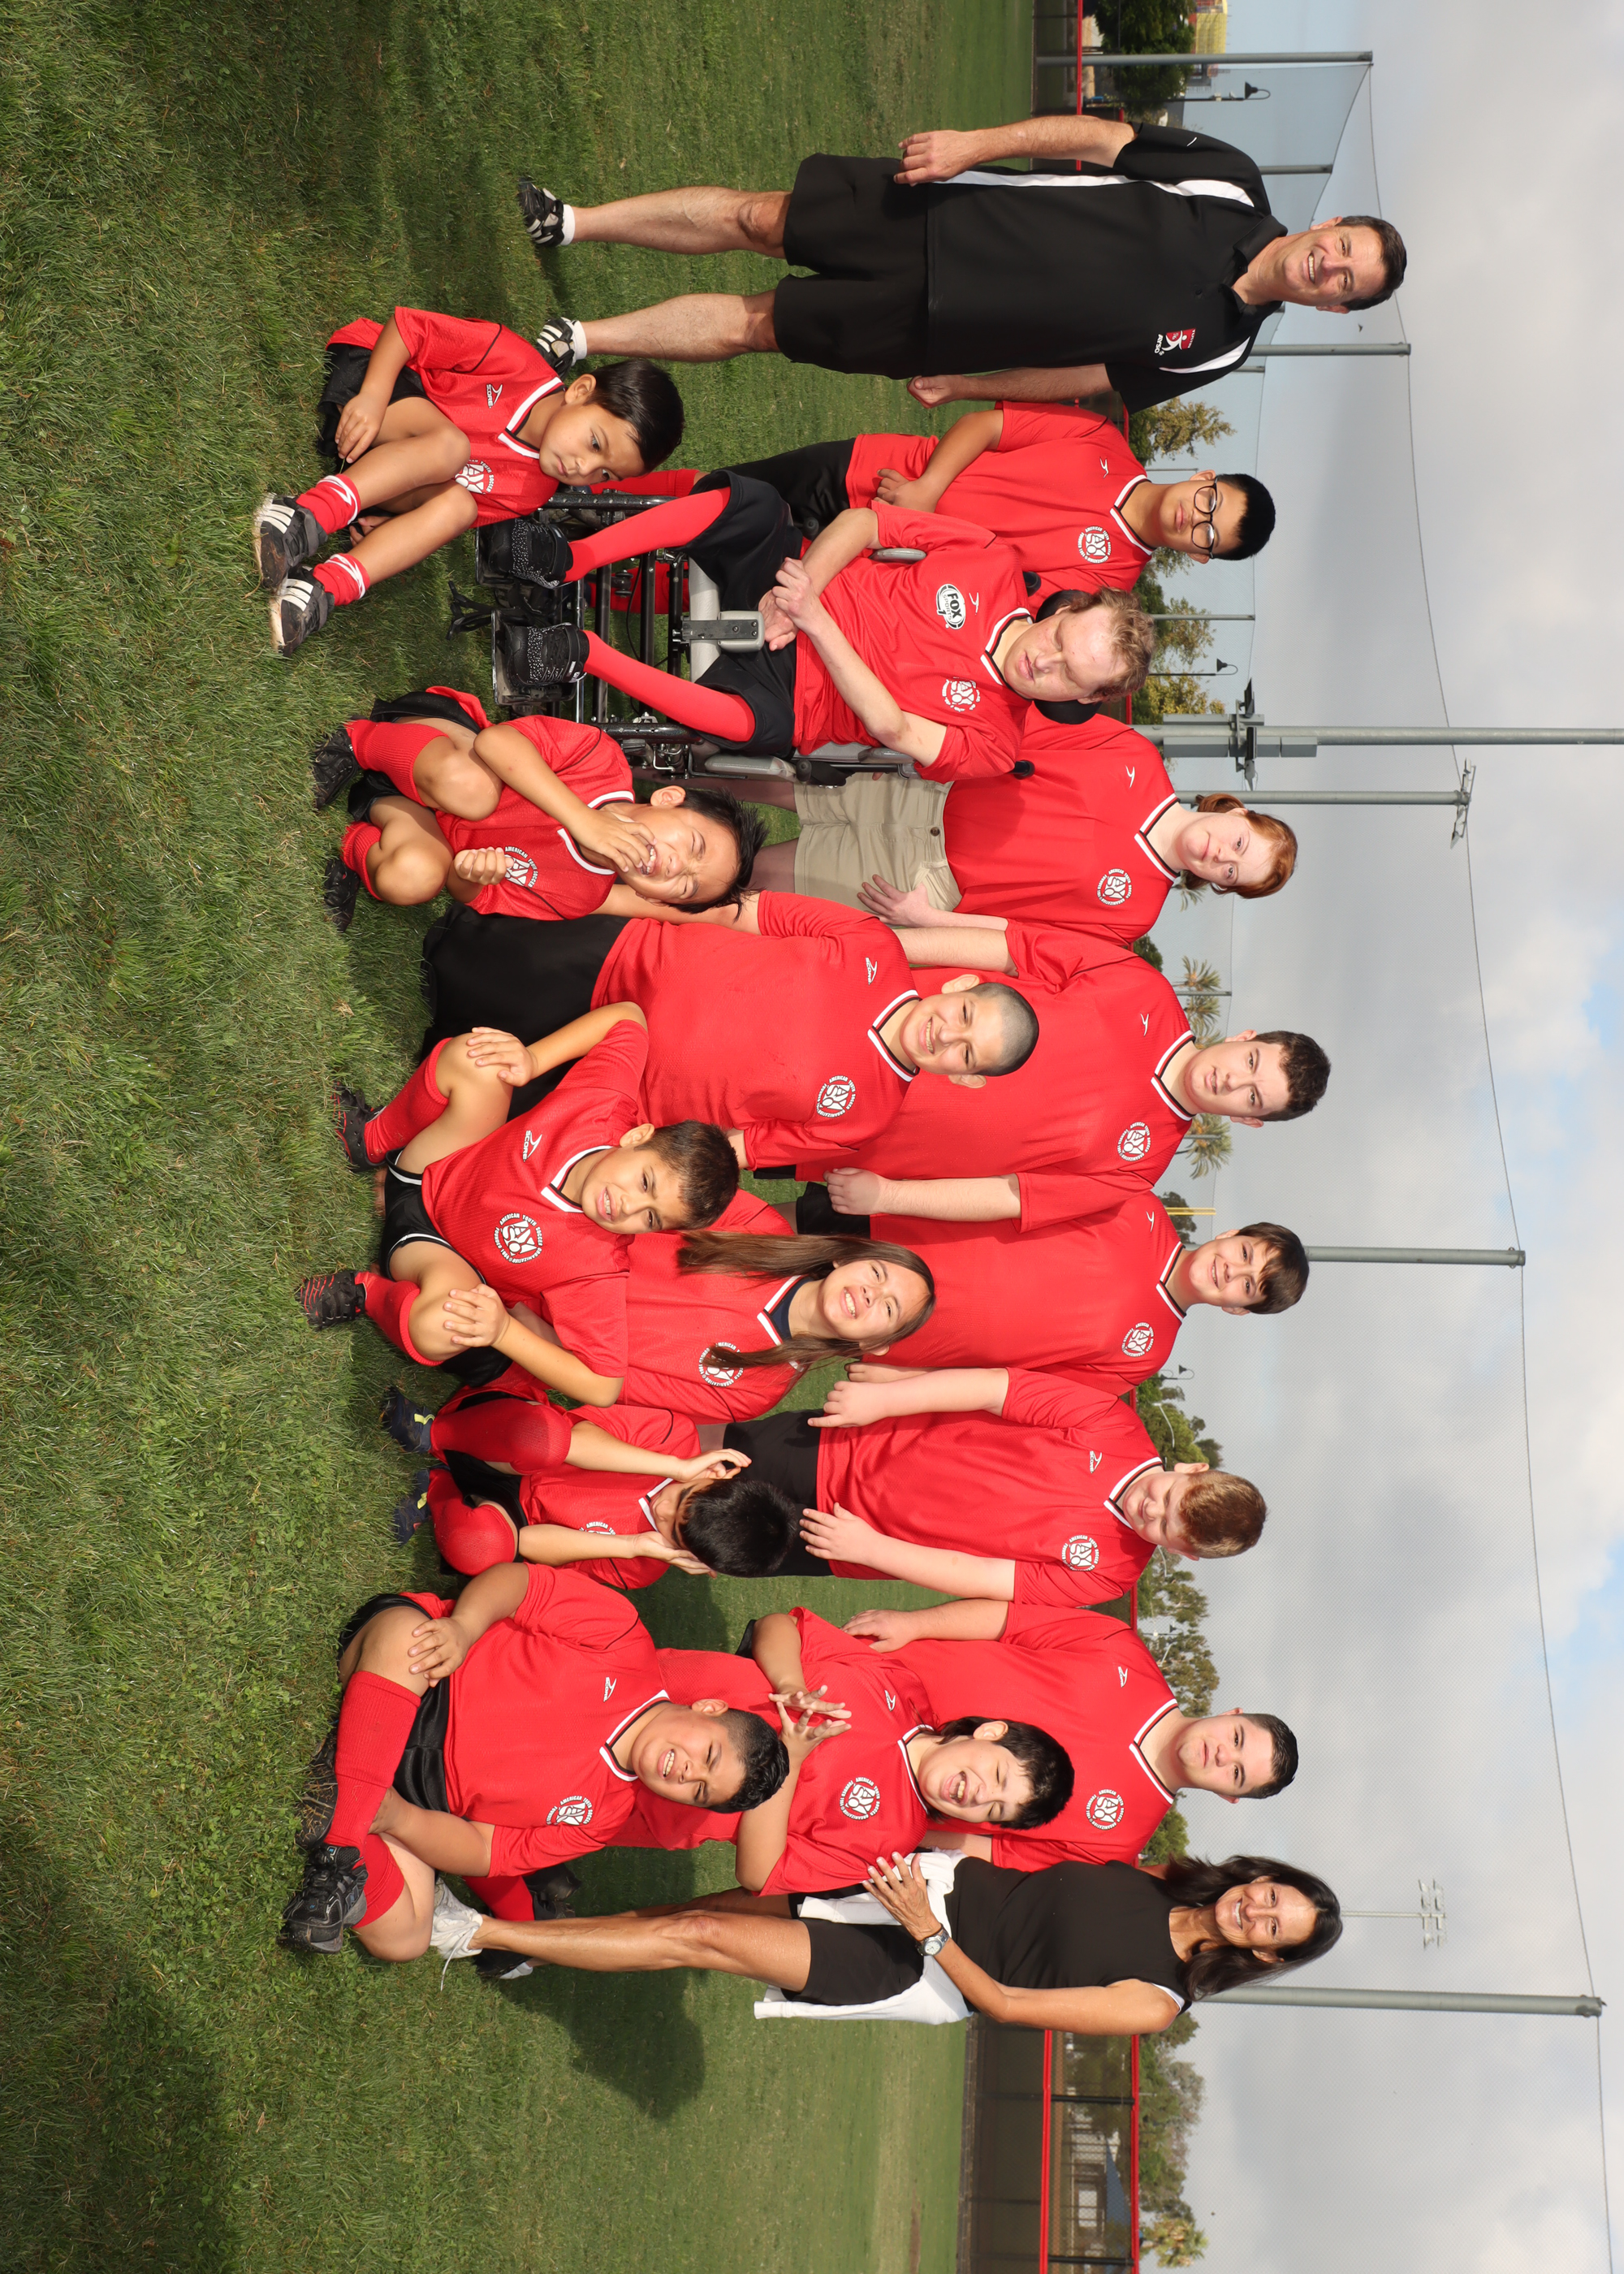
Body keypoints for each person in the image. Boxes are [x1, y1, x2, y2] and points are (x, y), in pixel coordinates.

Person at [508, 120, 1404, 398]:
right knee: (759, 218)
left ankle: (578, 339)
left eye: (1345, 282)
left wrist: (969, 386)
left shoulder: (1220, 351)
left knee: (762, 326)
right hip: (945, 214)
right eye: (1343, 248)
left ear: (1333, 307)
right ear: (1330, 226)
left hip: (940, 330)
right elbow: (1098, 141)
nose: (1329, 266)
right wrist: (978, 145)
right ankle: (571, 221)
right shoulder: (1230, 182)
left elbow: (1087, 378)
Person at [279, 1560, 788, 1958]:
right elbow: (520, 1585)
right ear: (708, 1707)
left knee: (406, 1939)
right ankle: (341, 1844)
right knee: (403, 1637)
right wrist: (464, 1627)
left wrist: (399, 1817)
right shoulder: (624, 1639)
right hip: (427, 1675)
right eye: (709, 1754)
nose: (689, 1772)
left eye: (699, 1791)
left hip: (413, 1790)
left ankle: (353, 1794)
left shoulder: (602, 1819)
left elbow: (484, 1851)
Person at [488, 479, 1154, 768]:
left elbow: (892, 728)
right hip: (799, 582)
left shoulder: (997, 743)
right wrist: (802, 590)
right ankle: (570, 559)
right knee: (753, 507)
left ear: (1084, 700)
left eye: (1068, 675)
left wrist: (815, 623)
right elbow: (867, 523)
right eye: (1059, 640)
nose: (1044, 661)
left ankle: (578, 652)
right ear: (1067, 609)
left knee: (750, 727)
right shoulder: (993, 560)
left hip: (803, 694)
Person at [421, 890, 1042, 1174]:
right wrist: (616, 900)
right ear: (960, 987)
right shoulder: (870, 944)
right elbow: (745, 912)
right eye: (965, 1017)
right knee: (451, 953)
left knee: (468, 1084)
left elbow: (741, 1148)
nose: (946, 1036)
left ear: (964, 1079)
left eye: (966, 1054)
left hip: (610, 1085)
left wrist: (627, 1148)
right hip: (621, 961)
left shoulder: (867, 1118)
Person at [296, 1010, 737, 1405]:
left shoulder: (597, 1268)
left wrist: (505, 1332)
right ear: (637, 1137)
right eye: (645, 1182)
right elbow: (629, 1019)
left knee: (445, 1326)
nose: (628, 1206)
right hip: (433, 1163)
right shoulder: (601, 1106)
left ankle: (364, 1293)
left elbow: (603, 1386)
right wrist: (533, 1059)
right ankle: (371, 1139)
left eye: (651, 1217)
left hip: (434, 1252)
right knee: (479, 1059)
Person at [429, 1846, 1341, 2032]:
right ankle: (528, 1944)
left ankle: (470, 1931)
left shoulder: (1158, 2000)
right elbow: (1018, 1866)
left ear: (1267, 1956)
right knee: (688, 1912)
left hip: (917, 1963)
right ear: (1259, 1875)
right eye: (1271, 1894)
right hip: (913, 1884)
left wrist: (928, 1934)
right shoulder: (1159, 1873)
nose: (1255, 1911)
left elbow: (1006, 2002)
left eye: (1273, 1927)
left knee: (698, 1936)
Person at [785, 920, 1328, 1221]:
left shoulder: (1138, 1170)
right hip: (854, 1011)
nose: (1233, 1080)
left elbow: (1011, 1196)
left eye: (1252, 1097)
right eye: (1250, 1063)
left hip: (838, 1134)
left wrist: (889, 1198)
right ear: (1243, 1038)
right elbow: (1005, 950)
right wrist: (877, 946)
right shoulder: (1142, 988)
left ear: (1248, 1121)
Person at [253, 308, 684, 655]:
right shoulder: (514, 361)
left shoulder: (534, 492)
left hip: (376, 470)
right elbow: (406, 328)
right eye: (594, 443)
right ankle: (304, 515)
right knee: (451, 447)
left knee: (462, 507)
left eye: (604, 474)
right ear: (581, 390)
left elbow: (449, 511)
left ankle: (324, 588)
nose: (582, 468)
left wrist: (398, 522)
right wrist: (373, 396)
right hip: (373, 389)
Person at [602, 1609, 1073, 1894]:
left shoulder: (890, 1842)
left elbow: (759, 1873)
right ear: (990, 1732)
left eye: (994, 1809)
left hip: (630, 1797)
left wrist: (789, 1762)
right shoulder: (900, 1687)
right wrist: (791, 1683)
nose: (980, 1795)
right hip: (635, 1686)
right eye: (998, 1775)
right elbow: (779, 1626)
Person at [716, 1360, 1264, 1603]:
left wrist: (871, 1549)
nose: (1153, 1511)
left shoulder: (1111, 1574)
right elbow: (992, 1390)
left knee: (708, 1540)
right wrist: (883, 1399)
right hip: (850, 1449)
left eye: (1166, 1528)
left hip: (847, 1539)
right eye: (1169, 1498)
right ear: (1190, 1469)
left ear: (1181, 1553)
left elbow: (981, 1576)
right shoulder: (1112, 1424)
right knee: (713, 1452)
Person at [845, 1600, 1297, 1871]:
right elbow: (1010, 1622)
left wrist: (893, 1829)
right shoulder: (1123, 1650)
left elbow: (996, 1852)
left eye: (1236, 1774)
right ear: (1232, 1714)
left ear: (1229, 1797)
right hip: (860, 1675)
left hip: (864, 1784)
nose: (1222, 1755)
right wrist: (915, 1624)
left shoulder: (1118, 1842)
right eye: (1237, 1738)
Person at [755, 705, 1296, 930]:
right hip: (919, 787)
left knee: (744, 876)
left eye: (1231, 873)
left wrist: (931, 920)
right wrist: (928, 743)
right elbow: (1022, 727)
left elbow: (1022, 940)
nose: (1220, 856)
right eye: (1239, 844)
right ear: (1238, 811)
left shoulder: (1134, 914)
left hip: (915, 881)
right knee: (738, 775)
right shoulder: (1135, 756)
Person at [313, 685, 764, 934]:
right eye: (694, 846)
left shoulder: (580, 897)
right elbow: (495, 743)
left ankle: (357, 845)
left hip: (420, 820)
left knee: (413, 876)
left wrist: (472, 875)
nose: (676, 866)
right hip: (433, 750)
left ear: (653, 899)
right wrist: (582, 820)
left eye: (685, 887)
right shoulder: (600, 761)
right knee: (474, 791)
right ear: (668, 798)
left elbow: (470, 894)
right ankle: (358, 741)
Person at [443, 1218, 939, 1428]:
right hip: (545, 1251)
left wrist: (523, 1330)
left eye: (888, 1309)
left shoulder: (757, 1392)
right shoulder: (762, 1230)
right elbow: (637, 1213)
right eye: (877, 1274)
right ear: (848, 1257)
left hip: (529, 1342)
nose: (871, 1294)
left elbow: (614, 1385)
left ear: (875, 1345)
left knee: (435, 1321)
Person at [728, 400, 1275, 587]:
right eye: (1210, 503)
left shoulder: (1108, 586)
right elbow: (987, 426)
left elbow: (990, 587)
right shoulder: (1101, 438)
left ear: (1200, 556)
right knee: (725, 495)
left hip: (873, 562)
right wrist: (926, 490)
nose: (1194, 519)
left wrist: (909, 532)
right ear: (1204, 478)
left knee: (727, 571)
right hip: (878, 472)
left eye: (1208, 535)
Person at [840, 1202, 1310, 1379]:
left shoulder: (1145, 1356)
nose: (1231, 1271)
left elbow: (1018, 1385)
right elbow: (1014, 1193)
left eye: (1247, 1286)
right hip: (887, 1241)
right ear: (1229, 1233)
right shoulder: (1137, 1208)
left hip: (894, 1338)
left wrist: (903, 1381)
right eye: (1244, 1253)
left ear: (1238, 1310)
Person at [380, 1386, 800, 1584]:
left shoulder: (643, 1564)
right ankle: (435, 1434)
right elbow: (573, 1443)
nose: (664, 1512)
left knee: (485, 1550)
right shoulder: (675, 1438)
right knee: (542, 1439)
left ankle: (438, 1489)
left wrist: (632, 1546)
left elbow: (526, 1543)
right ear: (716, 1476)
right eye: (683, 1500)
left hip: (512, 1515)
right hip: (506, 1441)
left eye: (675, 1531)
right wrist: (674, 1465)